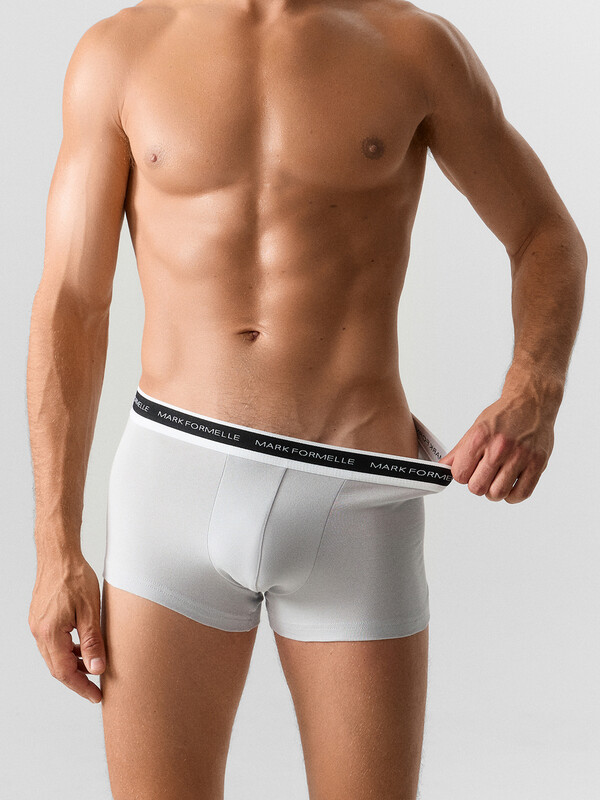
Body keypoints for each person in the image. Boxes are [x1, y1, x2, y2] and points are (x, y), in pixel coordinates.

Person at [26, 0, 586, 798]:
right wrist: (55, 548)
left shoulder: (412, 46)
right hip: (173, 488)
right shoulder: (121, 52)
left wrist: (535, 387)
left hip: (356, 497)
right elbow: (72, 303)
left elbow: (545, 233)